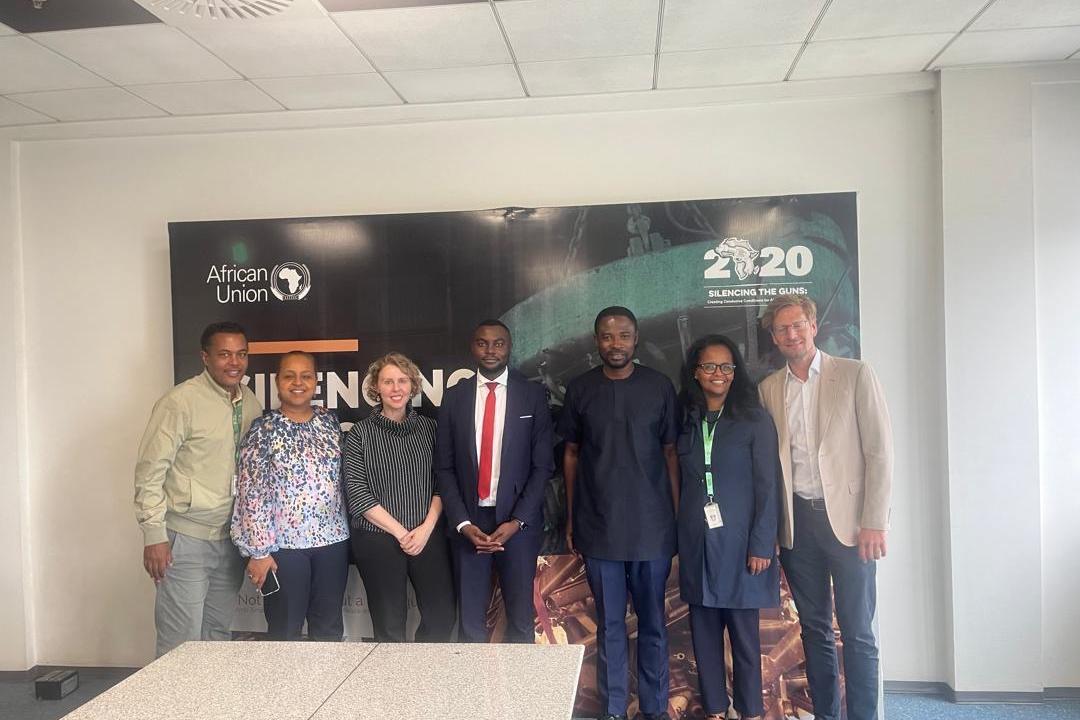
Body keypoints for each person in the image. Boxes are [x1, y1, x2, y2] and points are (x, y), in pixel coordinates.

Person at [757, 295, 893, 720]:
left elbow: (879, 452)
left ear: (813, 326)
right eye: (782, 329)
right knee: (813, 630)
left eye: (798, 325)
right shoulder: (768, 389)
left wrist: (875, 521)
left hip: (851, 525)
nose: (791, 334)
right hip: (798, 527)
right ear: (774, 337)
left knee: (858, 632)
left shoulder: (854, 374)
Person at [559, 306, 679, 720]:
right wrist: (572, 517)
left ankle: (654, 708)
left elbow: (670, 453)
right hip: (599, 527)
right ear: (596, 341)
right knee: (609, 624)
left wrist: (675, 518)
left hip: (652, 529)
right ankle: (612, 710)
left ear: (636, 338)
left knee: (653, 623)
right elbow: (571, 454)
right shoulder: (580, 389)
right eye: (608, 336)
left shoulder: (659, 386)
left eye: (624, 335)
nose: (616, 344)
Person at [134, 321, 262, 657]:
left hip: (230, 540)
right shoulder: (180, 402)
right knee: (180, 645)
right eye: (224, 354)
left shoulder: (249, 402)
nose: (234, 362)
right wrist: (154, 535)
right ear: (205, 357)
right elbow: (150, 471)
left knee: (216, 636)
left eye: (241, 354)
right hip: (185, 540)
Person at [677, 335, 779, 720]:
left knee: (745, 642)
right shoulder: (685, 420)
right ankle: (716, 711)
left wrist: (762, 544)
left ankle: (750, 712)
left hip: (741, 546)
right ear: (695, 372)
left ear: (735, 373)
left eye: (726, 366)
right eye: (709, 366)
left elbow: (768, 486)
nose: (717, 373)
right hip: (698, 544)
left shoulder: (754, 420)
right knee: (703, 639)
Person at [436, 319, 554, 643]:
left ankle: (520, 680)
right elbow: (444, 468)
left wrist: (517, 521)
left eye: (498, 343)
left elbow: (542, 466)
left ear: (509, 347)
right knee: (470, 624)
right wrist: (462, 523)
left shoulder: (532, 395)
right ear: (472, 347)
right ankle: (472, 680)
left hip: (518, 524)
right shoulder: (454, 397)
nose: (490, 350)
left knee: (521, 620)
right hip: (469, 524)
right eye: (482, 343)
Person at [230, 351, 350, 641]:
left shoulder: (329, 422)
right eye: (289, 376)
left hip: (332, 543)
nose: (298, 382)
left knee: (329, 630)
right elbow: (251, 494)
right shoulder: (263, 430)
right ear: (277, 381)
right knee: (285, 632)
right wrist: (260, 552)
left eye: (306, 376)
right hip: (283, 549)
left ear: (316, 381)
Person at [342, 352, 455, 642]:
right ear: (376, 387)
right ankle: (394, 673)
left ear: (412, 385)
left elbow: (443, 483)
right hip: (378, 537)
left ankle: (424, 670)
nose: (396, 388)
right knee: (389, 625)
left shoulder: (431, 429)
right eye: (388, 381)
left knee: (441, 617)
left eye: (402, 381)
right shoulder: (359, 434)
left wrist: (425, 529)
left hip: (427, 533)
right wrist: (402, 533)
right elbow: (357, 493)